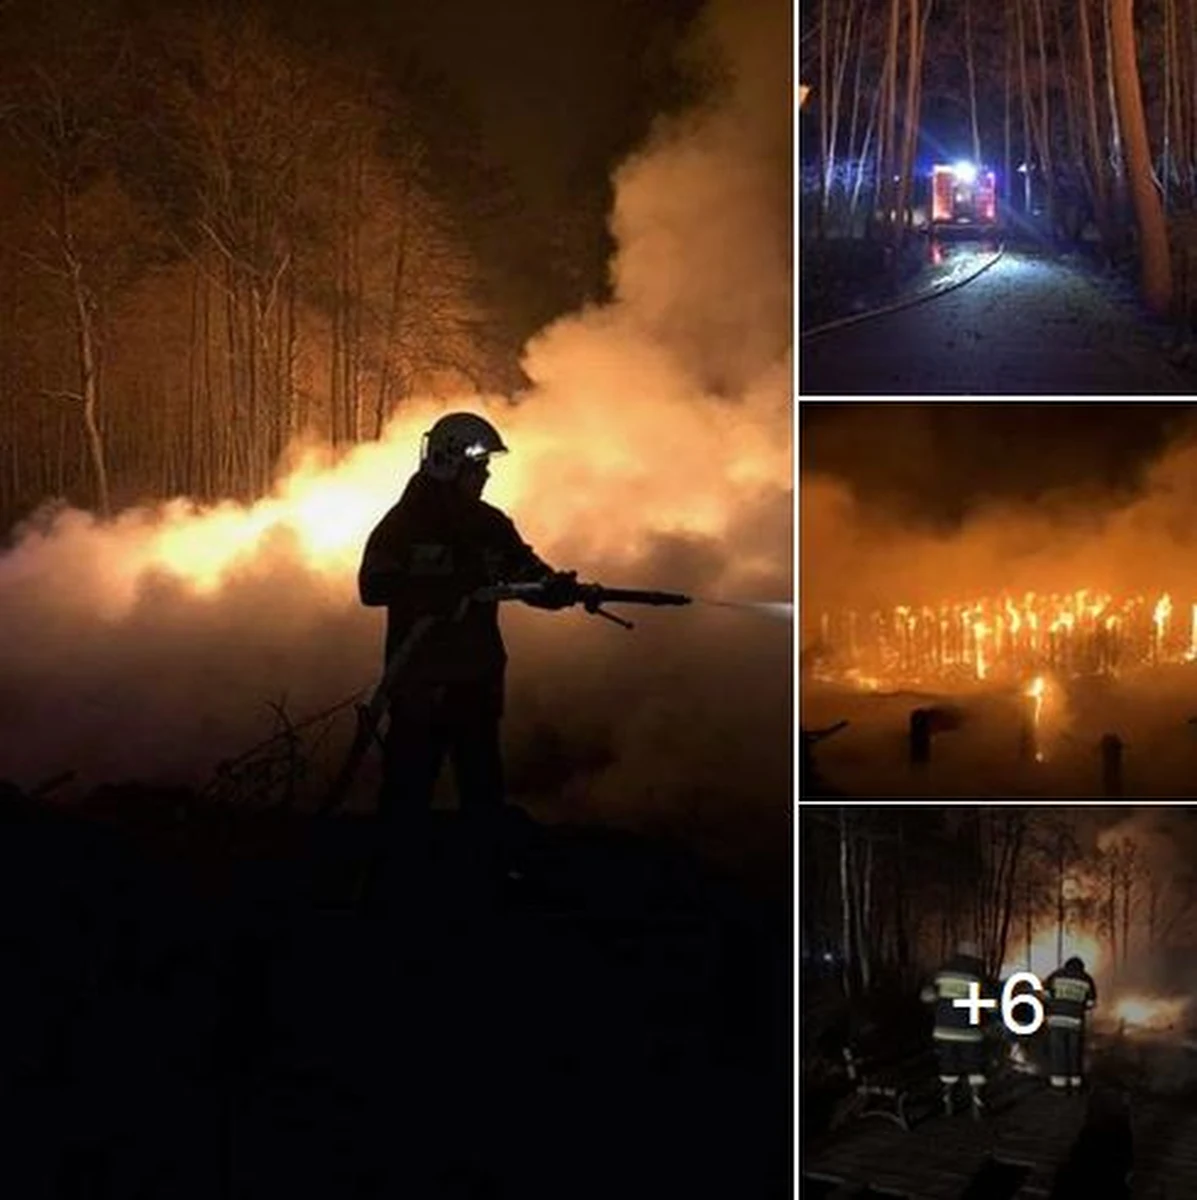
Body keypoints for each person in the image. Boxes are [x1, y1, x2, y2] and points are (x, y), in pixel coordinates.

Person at [357, 412, 576, 843]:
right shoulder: (403, 526)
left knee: (483, 798)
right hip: (419, 690)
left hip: (476, 688)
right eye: (478, 466)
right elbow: (372, 586)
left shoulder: (491, 526)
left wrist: (554, 588)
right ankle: (393, 892)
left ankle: (483, 891)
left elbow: (527, 573)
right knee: (406, 801)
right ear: (447, 463)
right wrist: (435, 587)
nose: (487, 473)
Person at [921, 940, 991, 1117]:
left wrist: (941, 1008)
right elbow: (989, 1003)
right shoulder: (977, 973)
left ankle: (948, 1102)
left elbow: (927, 997)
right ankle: (976, 1104)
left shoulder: (941, 970)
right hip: (970, 1031)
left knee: (948, 1067)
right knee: (975, 1068)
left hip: (944, 1030)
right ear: (974, 955)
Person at [1043, 955, 1097, 1095]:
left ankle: (1059, 1086)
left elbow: (1045, 996)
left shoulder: (1055, 975)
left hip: (1056, 1021)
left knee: (1058, 1052)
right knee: (1075, 1052)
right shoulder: (1086, 979)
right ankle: (1075, 1085)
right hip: (1075, 1022)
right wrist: (1078, 1006)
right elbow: (1091, 1004)